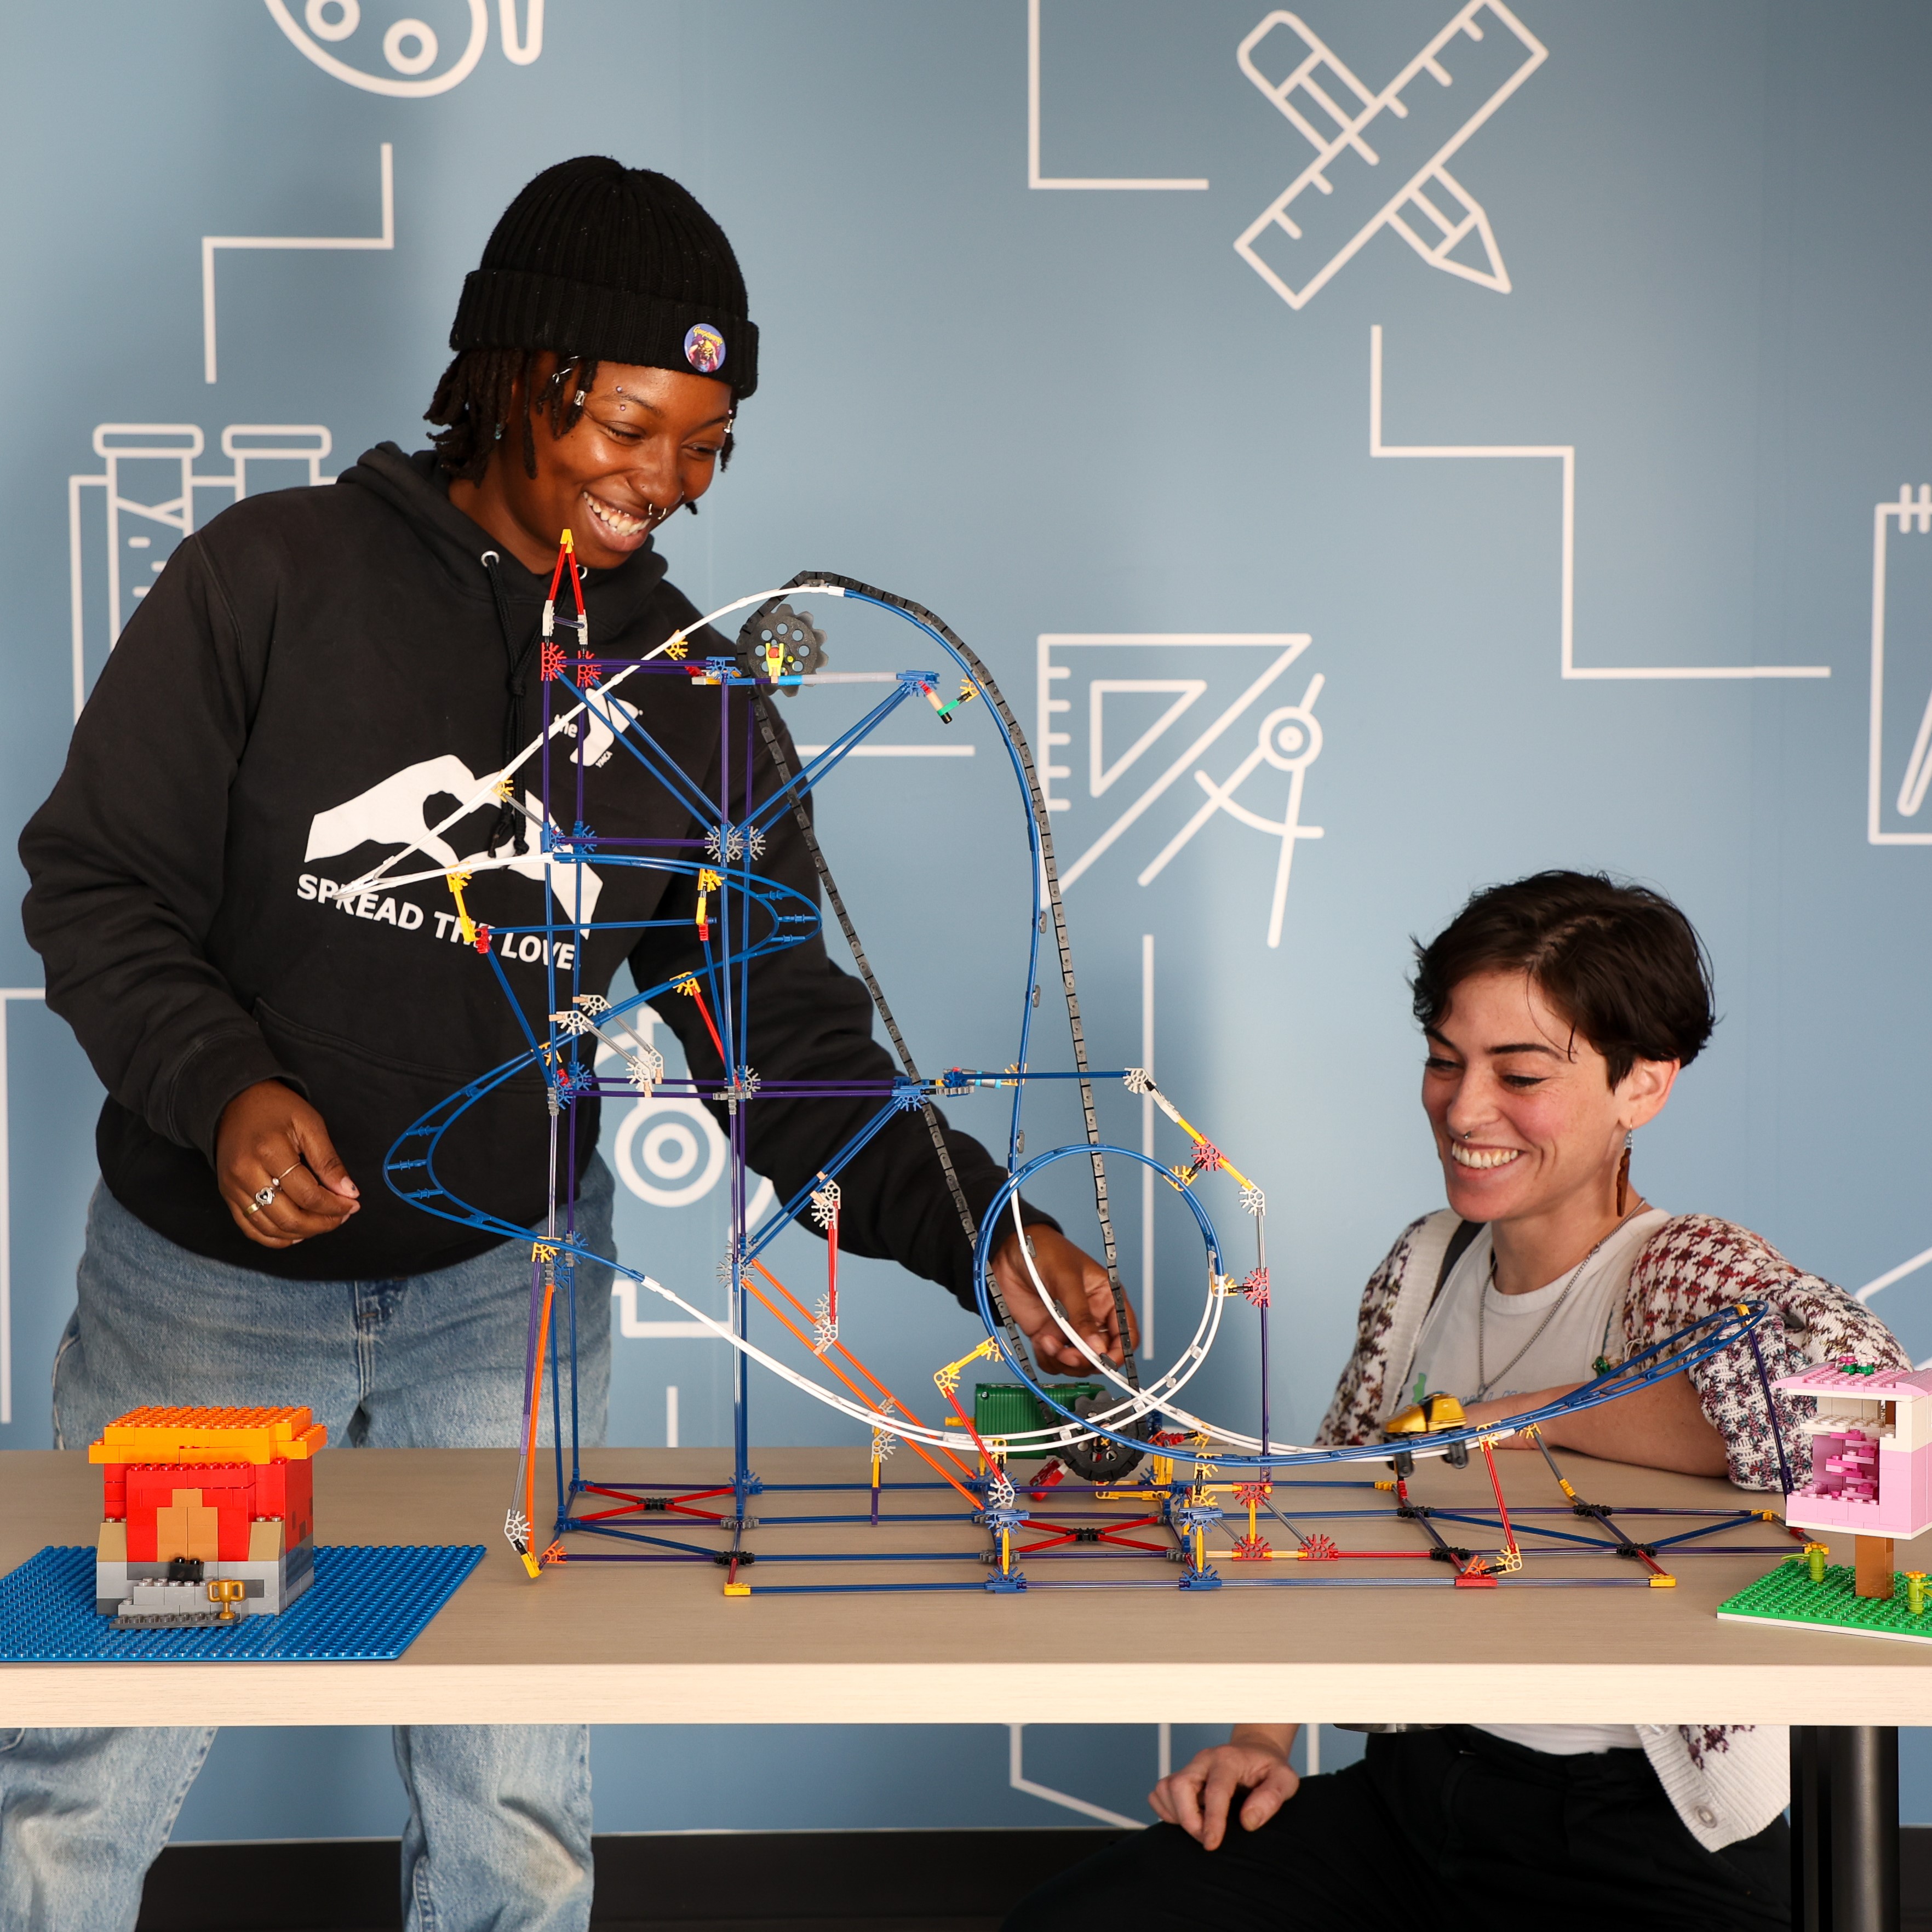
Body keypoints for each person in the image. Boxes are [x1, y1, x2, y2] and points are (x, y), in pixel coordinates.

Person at [5, 158, 1126, 1932]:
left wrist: (982, 1230)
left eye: (706, 444)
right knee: (82, 1777)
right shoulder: (269, 578)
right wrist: (223, 1088)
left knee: (510, 1802)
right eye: (627, 422)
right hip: (205, 1301)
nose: (664, 480)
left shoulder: (686, 688)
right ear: (516, 377)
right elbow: (95, 883)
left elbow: (784, 1036)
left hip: (505, 1302)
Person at [1006, 871, 1908, 1932]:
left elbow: (1875, 1431)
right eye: (1445, 1061)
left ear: (1645, 1087)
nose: (1464, 1109)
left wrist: (1527, 1415)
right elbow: (1330, 1507)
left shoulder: (1682, 1269)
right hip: (1414, 1799)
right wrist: (1260, 1742)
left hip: (1641, 1835)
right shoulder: (1424, 1266)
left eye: (1519, 1073)